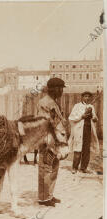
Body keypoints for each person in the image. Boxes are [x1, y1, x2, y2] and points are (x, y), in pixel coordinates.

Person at [36, 78, 66, 207]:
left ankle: (50, 195)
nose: (62, 91)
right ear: (53, 89)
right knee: (45, 168)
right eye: (60, 88)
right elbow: (45, 122)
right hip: (47, 139)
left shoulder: (54, 102)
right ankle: (43, 198)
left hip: (56, 139)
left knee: (54, 167)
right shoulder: (44, 102)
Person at [68, 91, 99, 174]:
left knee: (86, 150)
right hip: (79, 130)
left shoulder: (91, 106)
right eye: (85, 96)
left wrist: (93, 117)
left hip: (88, 130)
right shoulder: (77, 106)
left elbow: (95, 119)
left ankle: (83, 168)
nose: (87, 98)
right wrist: (81, 116)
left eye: (89, 96)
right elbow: (71, 117)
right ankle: (74, 167)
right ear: (82, 97)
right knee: (78, 149)